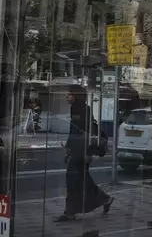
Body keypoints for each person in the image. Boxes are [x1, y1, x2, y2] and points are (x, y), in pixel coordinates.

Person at [54, 85, 114, 222]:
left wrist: (84, 152)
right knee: (82, 180)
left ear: (76, 96)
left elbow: (83, 132)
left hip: (81, 151)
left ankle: (70, 212)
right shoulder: (76, 108)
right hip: (77, 149)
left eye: (69, 94)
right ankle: (105, 199)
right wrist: (68, 148)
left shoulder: (83, 110)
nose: (67, 97)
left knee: (73, 179)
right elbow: (74, 131)